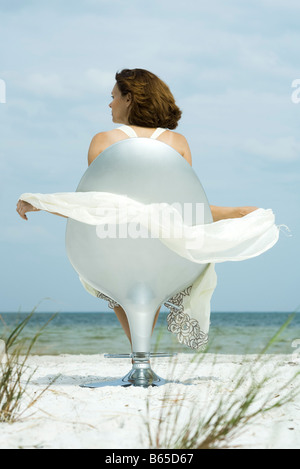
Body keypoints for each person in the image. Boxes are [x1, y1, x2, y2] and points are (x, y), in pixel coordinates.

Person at [16, 68, 258, 345]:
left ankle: (139, 353)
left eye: (114, 97)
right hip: (166, 247)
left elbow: (96, 206)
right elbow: (181, 207)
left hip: (115, 242)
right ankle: (142, 355)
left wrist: (43, 203)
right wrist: (230, 213)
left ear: (129, 98)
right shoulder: (176, 143)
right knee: (154, 264)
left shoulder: (104, 140)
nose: (110, 104)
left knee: (120, 272)